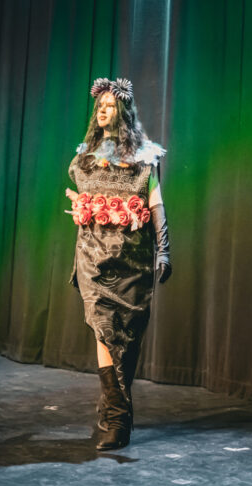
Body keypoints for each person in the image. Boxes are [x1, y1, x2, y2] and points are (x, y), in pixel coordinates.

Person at [65, 77, 172, 450]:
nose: (102, 110)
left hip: (131, 261)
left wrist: (163, 249)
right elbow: (82, 200)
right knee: (103, 330)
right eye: (100, 105)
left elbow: (156, 206)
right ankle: (117, 421)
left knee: (125, 339)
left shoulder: (142, 158)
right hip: (93, 257)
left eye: (110, 105)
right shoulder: (86, 156)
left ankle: (113, 411)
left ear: (123, 111)